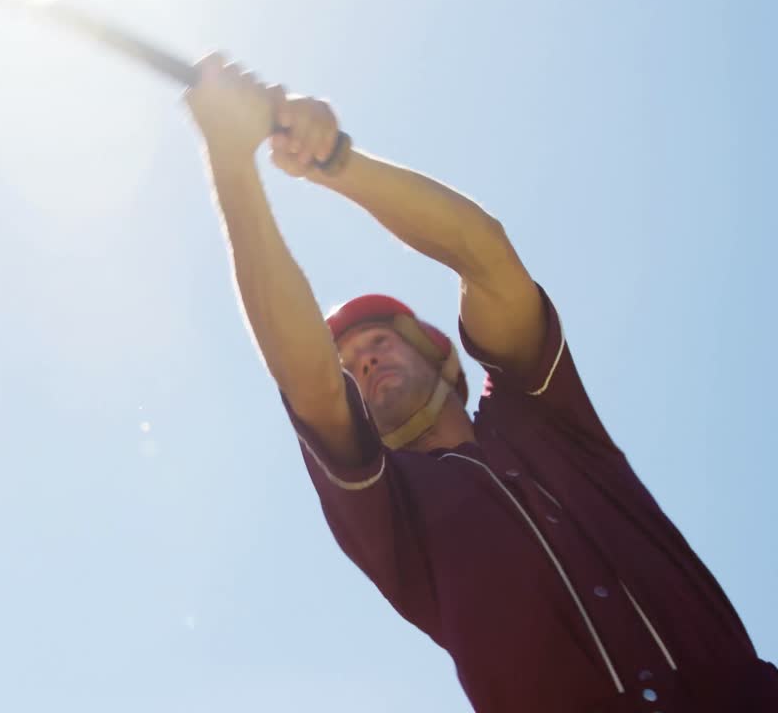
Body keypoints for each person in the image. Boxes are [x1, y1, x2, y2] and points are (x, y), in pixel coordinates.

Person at [183, 52, 778, 712]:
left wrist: (332, 158)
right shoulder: (390, 510)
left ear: (439, 355)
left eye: (377, 342)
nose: (365, 363)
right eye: (350, 364)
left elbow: (485, 256)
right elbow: (307, 382)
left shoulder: (542, 414)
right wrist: (233, 159)